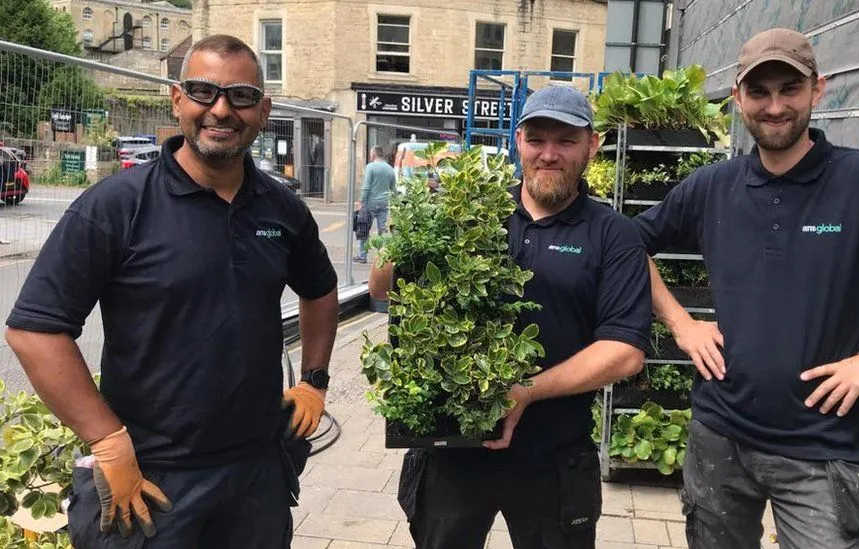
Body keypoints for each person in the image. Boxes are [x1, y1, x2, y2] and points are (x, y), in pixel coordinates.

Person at [633, 27, 859, 549]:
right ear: (738, 99)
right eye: (759, 91)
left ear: (818, 90)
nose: (774, 106)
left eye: (789, 89)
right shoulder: (712, 187)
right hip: (718, 437)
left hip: (821, 453)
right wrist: (681, 324)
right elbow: (626, 247)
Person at [4, 35, 339, 548]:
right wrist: (108, 441)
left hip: (255, 476)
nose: (221, 110)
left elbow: (321, 290)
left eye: (241, 96)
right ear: (177, 99)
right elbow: (35, 330)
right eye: (204, 92)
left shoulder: (281, 208)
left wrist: (314, 380)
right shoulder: (116, 206)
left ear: (264, 110)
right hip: (148, 481)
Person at [397, 85, 653, 549]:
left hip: (553, 459)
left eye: (566, 141)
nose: (549, 154)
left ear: (592, 145)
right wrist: (407, 224)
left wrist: (525, 393)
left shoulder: (613, 235)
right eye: (537, 139)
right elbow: (382, 290)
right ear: (518, 141)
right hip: (453, 450)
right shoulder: (474, 210)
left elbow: (624, 353)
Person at [355, 145, 396, 262]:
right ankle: (381, 257)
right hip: (384, 203)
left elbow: (366, 186)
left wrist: (361, 201)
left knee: (364, 229)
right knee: (382, 230)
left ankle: (363, 256)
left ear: (373, 154)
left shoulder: (370, 167)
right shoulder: (390, 169)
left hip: (370, 203)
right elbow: (393, 189)